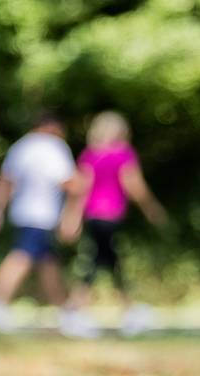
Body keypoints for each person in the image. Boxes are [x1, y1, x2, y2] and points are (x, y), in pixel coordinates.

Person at [0, 113, 91, 332]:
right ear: (52, 127)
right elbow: (70, 182)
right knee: (21, 257)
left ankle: (65, 310)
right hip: (42, 215)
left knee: (48, 262)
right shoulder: (53, 147)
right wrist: (81, 193)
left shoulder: (21, 147)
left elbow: (5, 182)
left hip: (23, 213)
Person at [59, 111, 167, 338]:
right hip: (109, 215)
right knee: (101, 261)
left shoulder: (90, 155)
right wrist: (151, 208)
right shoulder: (123, 155)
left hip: (93, 216)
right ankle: (76, 309)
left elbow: (81, 189)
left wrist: (73, 216)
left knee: (106, 260)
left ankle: (126, 310)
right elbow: (134, 185)